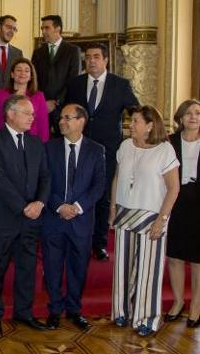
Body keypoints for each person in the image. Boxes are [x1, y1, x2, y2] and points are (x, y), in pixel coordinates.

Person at [0, 94, 51, 337]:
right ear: (10, 114)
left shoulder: (36, 143)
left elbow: (45, 177)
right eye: (27, 113)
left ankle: (24, 312)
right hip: (4, 217)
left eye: (33, 114)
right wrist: (24, 206)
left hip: (32, 218)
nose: (33, 117)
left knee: (27, 268)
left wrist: (40, 202)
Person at [64, 43, 139, 261]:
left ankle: (100, 243)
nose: (91, 61)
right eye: (87, 57)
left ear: (106, 60)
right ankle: (78, 239)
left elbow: (135, 109)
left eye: (96, 57)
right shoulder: (75, 84)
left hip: (108, 150)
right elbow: (67, 112)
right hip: (79, 147)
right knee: (77, 192)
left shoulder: (120, 84)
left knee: (102, 196)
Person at [109, 105, 179, 337]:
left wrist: (162, 219)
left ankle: (147, 318)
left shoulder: (165, 150)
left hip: (152, 217)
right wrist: (112, 208)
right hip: (123, 213)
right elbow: (118, 178)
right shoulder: (125, 146)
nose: (132, 124)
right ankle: (121, 311)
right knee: (122, 267)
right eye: (132, 120)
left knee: (149, 270)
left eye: (137, 121)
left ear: (150, 126)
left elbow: (173, 188)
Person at [42, 104, 106, 331]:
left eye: (67, 118)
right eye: (60, 118)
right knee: (52, 266)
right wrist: (59, 206)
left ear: (81, 121)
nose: (61, 122)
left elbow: (99, 186)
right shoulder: (49, 148)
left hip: (81, 220)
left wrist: (78, 207)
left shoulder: (96, 150)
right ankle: (54, 310)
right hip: (54, 218)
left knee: (78, 266)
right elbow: (44, 182)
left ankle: (74, 310)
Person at [166, 100, 200, 328]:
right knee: (175, 255)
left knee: (198, 259)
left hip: (199, 203)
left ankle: (196, 305)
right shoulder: (170, 142)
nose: (193, 117)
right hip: (176, 201)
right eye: (188, 113)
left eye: (197, 113)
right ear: (180, 117)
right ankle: (178, 302)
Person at [31, 15, 81, 136]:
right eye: (42, 28)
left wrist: (56, 102)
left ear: (57, 29)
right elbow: (33, 79)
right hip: (40, 107)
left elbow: (73, 79)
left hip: (63, 108)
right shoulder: (38, 52)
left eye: (47, 28)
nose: (43, 32)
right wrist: (42, 101)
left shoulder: (72, 50)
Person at [0, 58, 49, 142]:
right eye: (19, 70)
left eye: (27, 71)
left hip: (31, 143)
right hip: (4, 141)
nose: (22, 73)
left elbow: (43, 125)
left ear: (31, 76)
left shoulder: (39, 96)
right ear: (12, 74)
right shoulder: (0, 95)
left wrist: (43, 146)